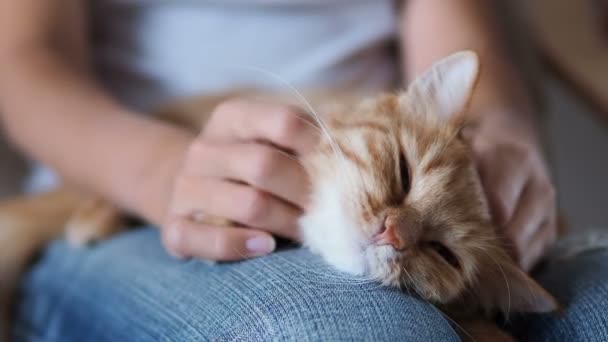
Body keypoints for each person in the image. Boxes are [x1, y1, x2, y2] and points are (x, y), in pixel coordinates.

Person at [0, 0, 605, 340]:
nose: (395, 232)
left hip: (386, 122)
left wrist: (498, 120)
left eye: (441, 254)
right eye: (398, 178)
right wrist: (163, 174)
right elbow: (22, 54)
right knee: (351, 333)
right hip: (128, 176)